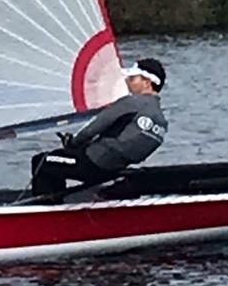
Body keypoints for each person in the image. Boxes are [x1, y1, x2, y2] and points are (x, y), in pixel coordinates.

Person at [30, 58, 168, 198]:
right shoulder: (161, 121)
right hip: (114, 169)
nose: (128, 81)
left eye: (132, 78)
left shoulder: (131, 103)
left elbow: (92, 129)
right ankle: (59, 201)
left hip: (93, 164)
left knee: (42, 161)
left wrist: (72, 143)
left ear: (147, 82)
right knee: (60, 161)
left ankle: (46, 210)